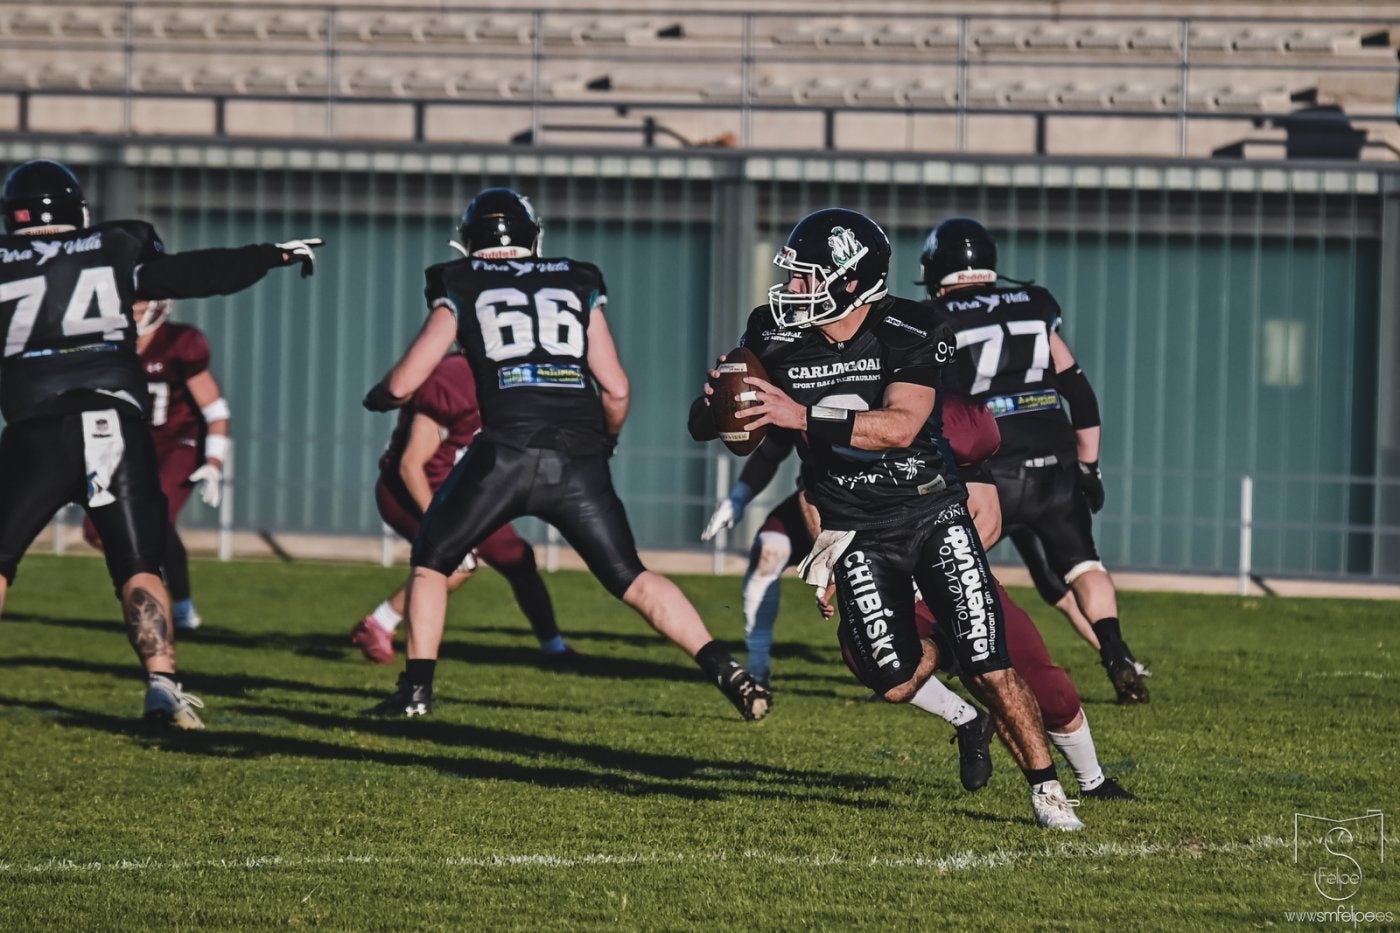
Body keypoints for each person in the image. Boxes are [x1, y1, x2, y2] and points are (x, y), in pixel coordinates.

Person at [691, 207, 1083, 829]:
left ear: (850, 280)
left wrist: (801, 416)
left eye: (804, 276)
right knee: (892, 676)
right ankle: (959, 687)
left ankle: (1047, 791)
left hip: (928, 511)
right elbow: (714, 423)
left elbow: (900, 428)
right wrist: (718, 404)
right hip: (854, 526)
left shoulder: (912, 325)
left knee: (993, 662)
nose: (790, 288)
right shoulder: (772, 332)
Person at [360, 187, 769, 721]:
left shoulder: (459, 280)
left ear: (469, 243)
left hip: (504, 450)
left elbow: (405, 381)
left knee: (433, 561)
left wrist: (380, 397)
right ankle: (724, 668)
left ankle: (415, 693)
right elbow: (616, 389)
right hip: (578, 454)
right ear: (535, 238)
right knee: (631, 576)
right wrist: (606, 442)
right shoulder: (576, 279)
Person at [0, 158, 321, 728]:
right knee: (138, 564)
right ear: (78, 211)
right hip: (114, 421)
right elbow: (192, 274)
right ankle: (164, 686)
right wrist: (270, 254)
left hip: (36, 422)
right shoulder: (116, 246)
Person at [920, 216, 1150, 705]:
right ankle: (1115, 651)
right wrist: (1089, 466)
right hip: (1054, 460)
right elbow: (1080, 394)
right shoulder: (1034, 305)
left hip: (990, 466)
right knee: (1083, 565)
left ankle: (928, 660)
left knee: (946, 566)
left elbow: (931, 398)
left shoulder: (934, 318)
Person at [350, 351, 579, 667]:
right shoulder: (455, 377)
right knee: (458, 562)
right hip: (413, 490)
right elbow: (410, 466)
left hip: (466, 492)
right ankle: (379, 625)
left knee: (517, 558)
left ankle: (555, 649)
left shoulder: (510, 378)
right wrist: (440, 523)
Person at [80, 299, 228, 632]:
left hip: (180, 441)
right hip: (129, 444)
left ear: (162, 304)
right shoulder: (110, 342)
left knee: (156, 519)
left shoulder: (180, 343)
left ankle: (181, 606)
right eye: (130, 298)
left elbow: (216, 411)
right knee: (95, 530)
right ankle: (149, 581)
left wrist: (214, 462)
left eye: (142, 300)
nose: (134, 307)